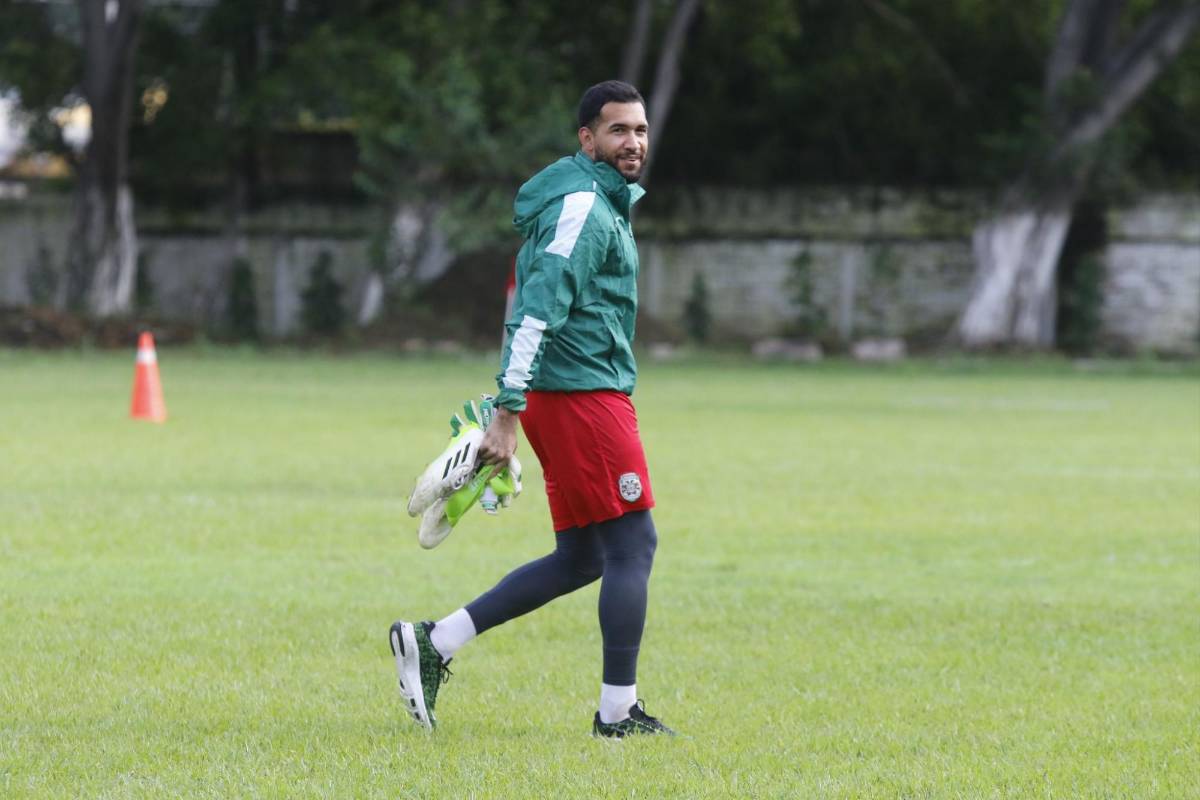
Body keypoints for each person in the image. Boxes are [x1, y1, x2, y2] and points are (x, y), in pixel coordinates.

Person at [390, 80, 674, 738]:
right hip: (581, 398)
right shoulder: (582, 205)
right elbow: (537, 309)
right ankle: (617, 713)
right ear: (587, 138)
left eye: (639, 130)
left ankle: (433, 642)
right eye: (617, 131)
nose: (632, 142)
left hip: (573, 394)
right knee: (634, 544)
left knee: (584, 557)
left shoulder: (600, 200)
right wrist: (506, 412)